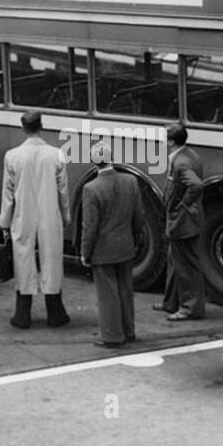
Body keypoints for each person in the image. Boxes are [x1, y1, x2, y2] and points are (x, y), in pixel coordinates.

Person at [0, 110, 70, 329]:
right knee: (51, 258)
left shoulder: (12, 155)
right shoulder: (56, 154)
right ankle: (55, 312)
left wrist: (4, 221)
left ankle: (23, 314)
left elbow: (7, 193)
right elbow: (63, 191)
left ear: (23, 128)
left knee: (23, 258)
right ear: (42, 126)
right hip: (49, 213)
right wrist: (65, 217)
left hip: (23, 213)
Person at [80, 143, 145, 348]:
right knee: (126, 290)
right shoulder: (131, 181)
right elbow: (139, 216)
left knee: (108, 294)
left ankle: (112, 335)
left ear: (94, 162)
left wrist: (85, 253)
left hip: (103, 250)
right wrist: (133, 239)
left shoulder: (91, 189)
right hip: (125, 246)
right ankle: (129, 330)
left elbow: (89, 227)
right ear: (112, 158)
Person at [155, 123, 206, 321]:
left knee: (186, 266)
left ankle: (189, 308)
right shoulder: (190, 155)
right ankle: (171, 302)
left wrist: (181, 204)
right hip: (187, 219)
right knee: (175, 261)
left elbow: (196, 185)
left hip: (184, 221)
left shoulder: (181, 162)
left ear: (171, 141)